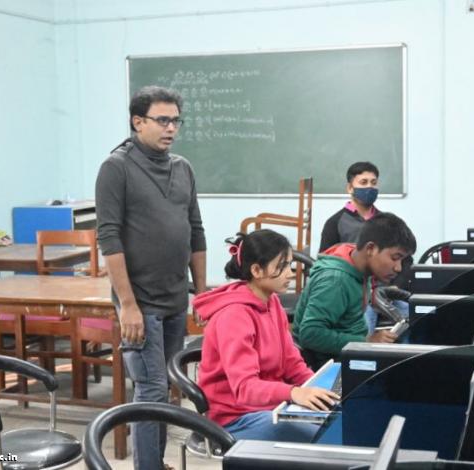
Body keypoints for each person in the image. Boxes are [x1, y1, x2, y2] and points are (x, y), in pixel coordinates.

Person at [96, 85, 206, 470]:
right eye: (162, 120)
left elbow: (195, 230)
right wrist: (127, 304)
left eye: (176, 120)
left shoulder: (183, 167)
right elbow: (109, 237)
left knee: (166, 390)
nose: (171, 128)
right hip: (140, 303)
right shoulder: (117, 168)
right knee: (151, 391)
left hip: (175, 298)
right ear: (138, 122)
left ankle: (154, 462)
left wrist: (202, 294)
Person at [193, 229, 339, 441]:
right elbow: (245, 388)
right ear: (256, 270)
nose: (290, 273)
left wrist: (316, 388)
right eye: (282, 266)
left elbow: (292, 363)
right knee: (327, 437)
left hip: (271, 407)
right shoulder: (234, 315)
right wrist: (294, 393)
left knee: (338, 421)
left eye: (290, 265)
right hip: (234, 418)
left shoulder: (271, 302)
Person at [293, 213, 417, 369]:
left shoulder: (359, 264)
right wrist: (367, 342)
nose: (398, 268)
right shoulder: (335, 280)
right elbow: (310, 334)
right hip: (331, 363)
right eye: (394, 258)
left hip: (352, 351)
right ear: (370, 249)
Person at [319, 161, 381, 253]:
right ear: (350, 188)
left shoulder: (387, 222)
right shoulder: (335, 223)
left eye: (374, 183)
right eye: (363, 182)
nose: (370, 187)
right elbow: (325, 259)